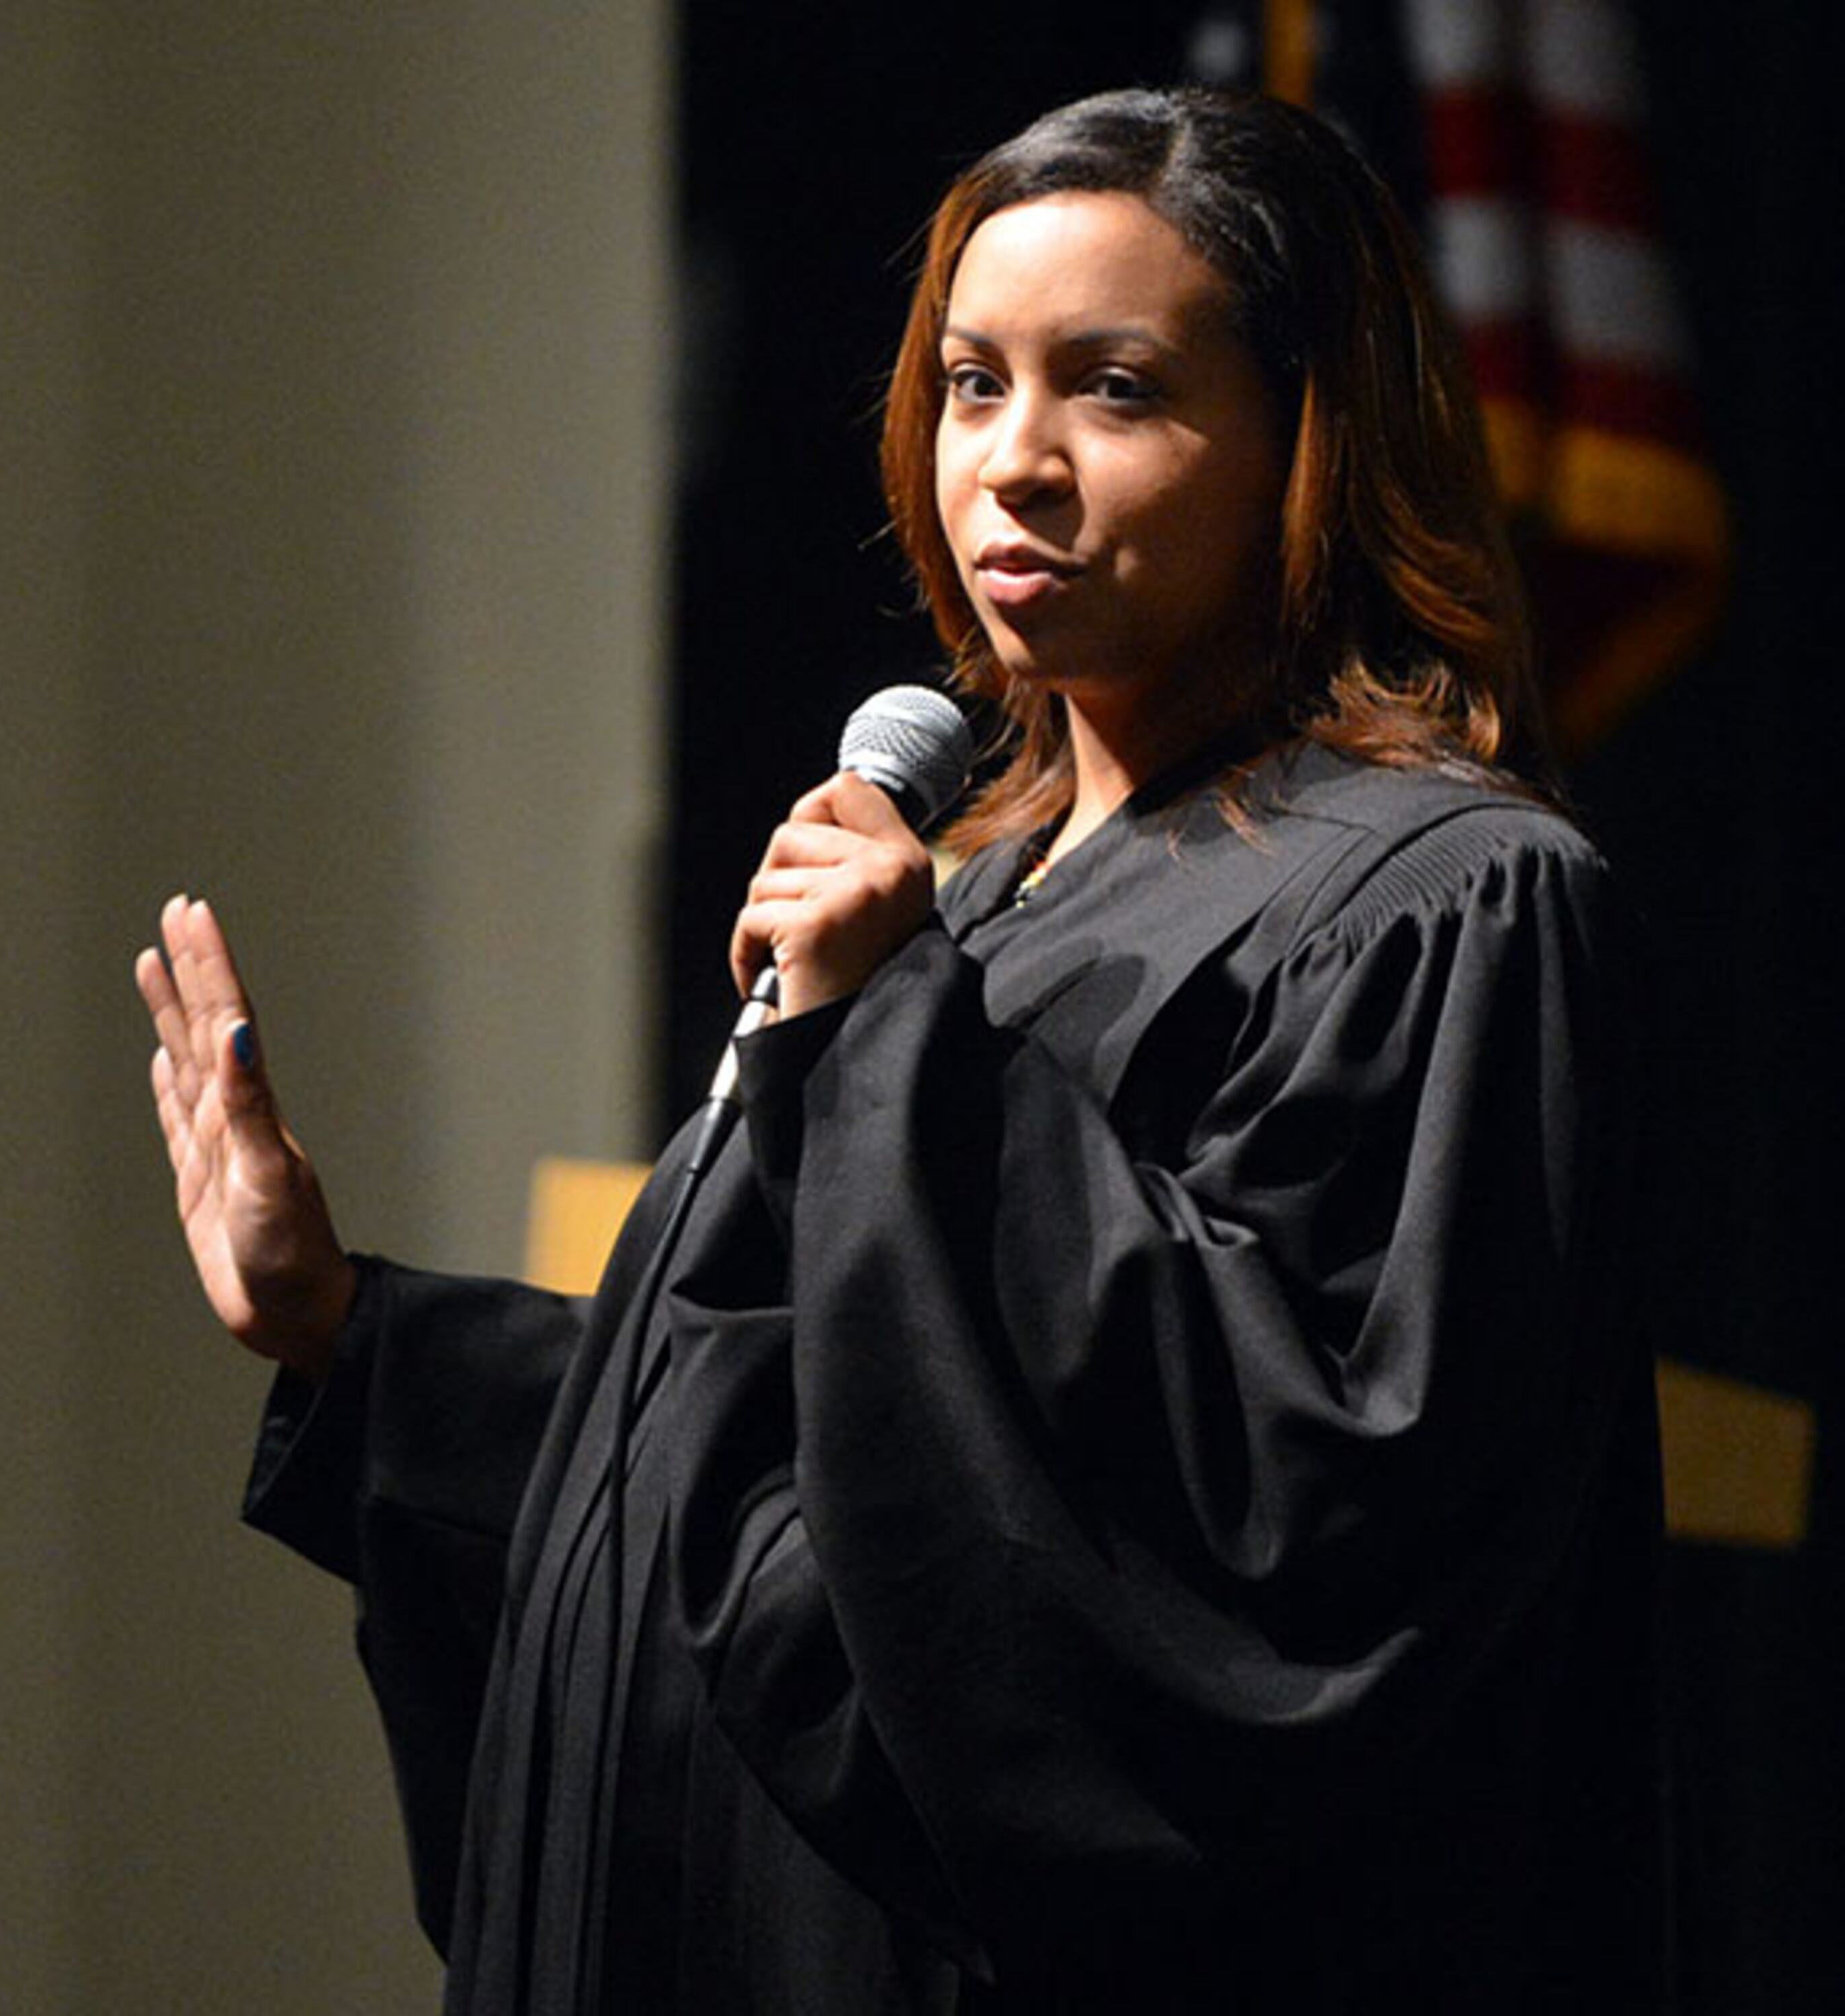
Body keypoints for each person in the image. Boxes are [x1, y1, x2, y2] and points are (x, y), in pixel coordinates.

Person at [135, 86, 1668, 2014]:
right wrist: (348, 1331)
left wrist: (908, 1047)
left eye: (1112, 391)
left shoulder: (1438, 904)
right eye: (971, 385)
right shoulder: (979, 887)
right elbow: (764, 1434)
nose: (1011, 465)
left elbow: (1275, 1538)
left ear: (1308, 439)